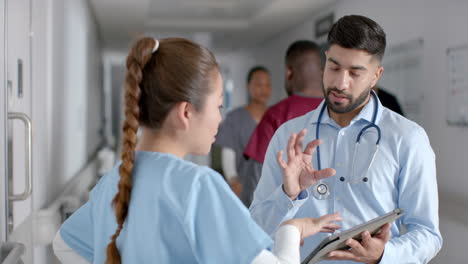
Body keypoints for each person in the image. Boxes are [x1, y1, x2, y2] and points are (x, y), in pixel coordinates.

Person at [52, 37, 342, 264]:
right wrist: (292, 231)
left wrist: (286, 196)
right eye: (217, 106)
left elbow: (64, 245)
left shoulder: (116, 179)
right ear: (186, 112)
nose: (220, 117)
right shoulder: (197, 184)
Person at [250, 15, 442, 263]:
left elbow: (427, 234)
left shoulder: (408, 139)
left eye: (355, 73)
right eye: (334, 67)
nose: (340, 83)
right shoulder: (289, 136)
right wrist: (288, 194)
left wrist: (384, 254)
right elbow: (255, 228)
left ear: (376, 76)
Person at [242, 40, 324, 206]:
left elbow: (255, 179)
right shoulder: (340, 113)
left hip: (287, 221)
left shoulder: (277, 115)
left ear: (289, 72)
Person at [214, 66, 272, 205]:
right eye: (258, 84)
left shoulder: (275, 116)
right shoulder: (235, 118)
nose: (263, 89)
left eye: (267, 85)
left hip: (272, 186)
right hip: (243, 185)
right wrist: (233, 179)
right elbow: (228, 151)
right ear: (248, 86)